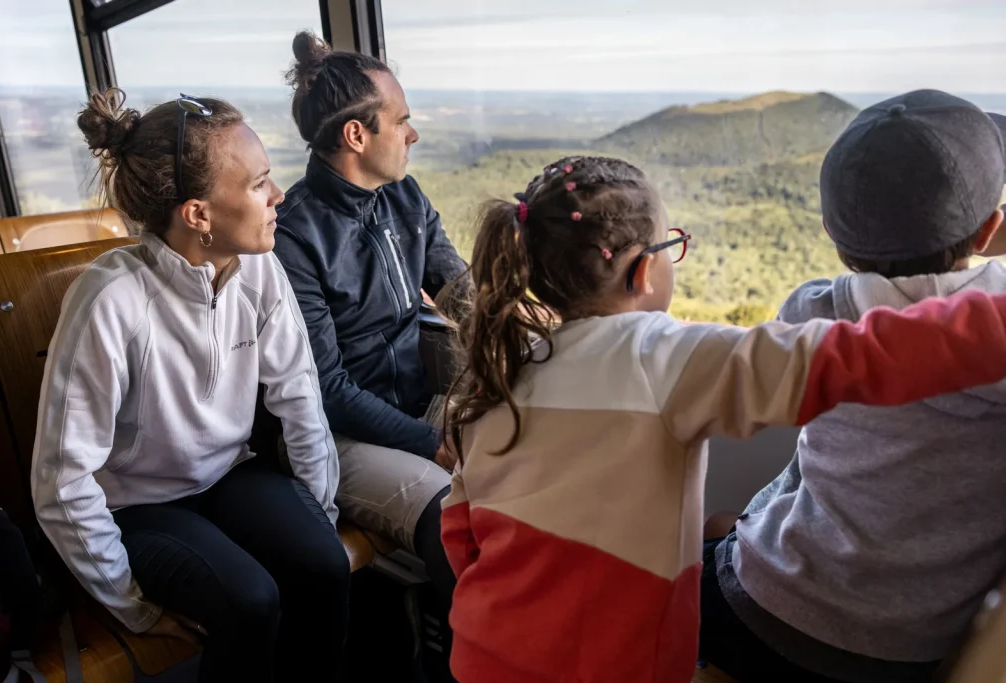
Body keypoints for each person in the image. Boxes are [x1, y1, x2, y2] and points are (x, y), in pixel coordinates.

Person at [437, 154, 1006, 683]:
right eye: (671, 246)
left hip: (483, 648)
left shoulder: (498, 375)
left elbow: (460, 534)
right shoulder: (667, 358)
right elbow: (857, 356)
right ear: (642, 272)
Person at [31, 89, 349, 683]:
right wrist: (131, 604)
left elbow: (301, 399)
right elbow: (62, 479)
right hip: (138, 503)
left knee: (324, 565)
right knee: (251, 600)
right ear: (199, 214)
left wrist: (316, 518)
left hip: (228, 474)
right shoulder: (110, 301)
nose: (278, 196)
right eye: (258, 185)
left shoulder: (261, 270)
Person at [699, 90, 1006, 683]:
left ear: (832, 237)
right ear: (991, 229)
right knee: (726, 531)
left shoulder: (813, 309)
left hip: (756, 617)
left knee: (710, 544)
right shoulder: (991, 332)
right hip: (905, 652)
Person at [272, 30, 465, 662]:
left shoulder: (403, 195)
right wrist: (430, 444)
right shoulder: (294, 236)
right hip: (346, 436)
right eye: (402, 121)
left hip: (417, 404)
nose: (413, 135)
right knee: (452, 516)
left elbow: (458, 290)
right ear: (357, 136)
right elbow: (326, 388)